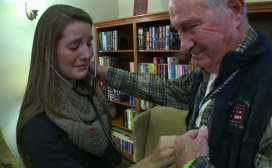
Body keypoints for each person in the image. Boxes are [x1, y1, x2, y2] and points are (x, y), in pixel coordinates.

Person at [93, 0, 272, 167]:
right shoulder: (211, 69)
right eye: (177, 30)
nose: (183, 46)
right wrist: (103, 72)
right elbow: (165, 89)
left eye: (191, 26)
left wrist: (191, 163)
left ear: (235, 11)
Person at [16, 4, 175, 168]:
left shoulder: (93, 98)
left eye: (89, 44)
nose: (87, 54)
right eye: (74, 46)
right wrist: (152, 162)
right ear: (47, 53)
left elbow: (113, 159)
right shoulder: (37, 128)